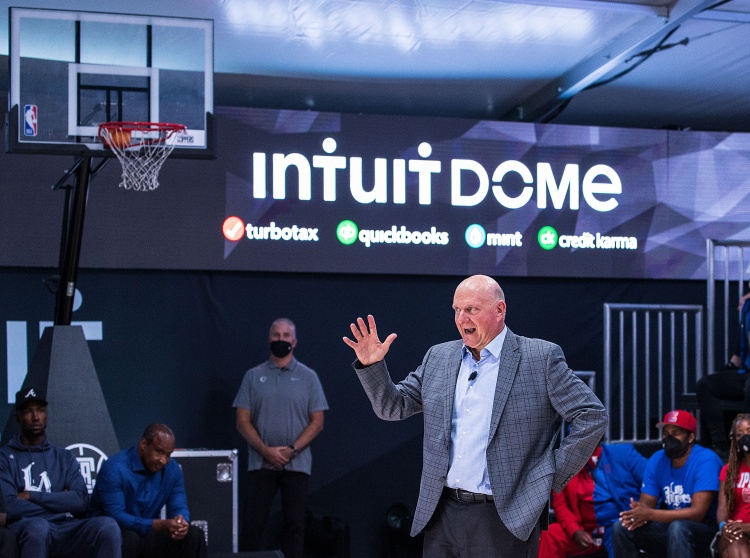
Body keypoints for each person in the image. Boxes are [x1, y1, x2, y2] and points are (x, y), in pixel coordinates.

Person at [342, 274, 608, 557]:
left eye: (471, 309)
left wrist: (549, 474)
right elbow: (392, 407)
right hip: (442, 513)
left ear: (499, 310)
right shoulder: (439, 357)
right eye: (457, 310)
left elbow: (591, 415)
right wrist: (372, 366)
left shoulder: (540, 358)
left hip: (504, 516)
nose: (461, 318)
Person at [233, 318, 328, 558]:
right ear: (269, 339)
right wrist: (265, 450)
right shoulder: (253, 376)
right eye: (276, 335)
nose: (281, 339)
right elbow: (242, 421)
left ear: (294, 342)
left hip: (297, 464)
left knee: (295, 526)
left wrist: (291, 450)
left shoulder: (308, 377)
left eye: (286, 336)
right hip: (261, 463)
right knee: (252, 525)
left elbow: (317, 422)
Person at [0, 386, 121, 558]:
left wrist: (31, 495)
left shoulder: (64, 457)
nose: (36, 417)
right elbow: (10, 506)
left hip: (66, 525)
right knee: (38, 527)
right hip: (28, 527)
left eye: (41, 410)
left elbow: (80, 501)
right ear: (17, 417)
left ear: (47, 414)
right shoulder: (4, 457)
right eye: (28, 412)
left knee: (107, 526)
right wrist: (60, 501)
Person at [612, 409, 723, 558]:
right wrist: (639, 513)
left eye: (675, 433)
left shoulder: (706, 460)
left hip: (706, 530)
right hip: (672, 528)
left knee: (678, 527)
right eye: (665, 433)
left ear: (691, 437)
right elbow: (647, 505)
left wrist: (649, 514)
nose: (669, 438)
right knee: (621, 527)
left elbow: (698, 513)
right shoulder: (657, 459)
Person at [90, 423, 206, 558]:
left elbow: (179, 507)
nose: (164, 460)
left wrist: (181, 523)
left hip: (146, 532)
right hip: (113, 535)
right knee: (130, 538)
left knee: (194, 535)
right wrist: (156, 525)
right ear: (144, 444)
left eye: (168, 455)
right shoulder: (114, 468)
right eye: (159, 452)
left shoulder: (173, 470)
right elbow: (116, 516)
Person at [538, 442, 647, 558]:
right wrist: (574, 530)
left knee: (619, 531)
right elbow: (560, 505)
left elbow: (651, 482)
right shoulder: (565, 465)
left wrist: (644, 509)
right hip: (584, 528)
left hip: (617, 523)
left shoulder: (623, 453)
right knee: (551, 534)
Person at [697, 288, 750, 460]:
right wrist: (731, 365)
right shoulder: (747, 307)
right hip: (745, 372)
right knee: (705, 384)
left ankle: (746, 445)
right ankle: (721, 448)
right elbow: (741, 348)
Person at [716, 413, 750, 557]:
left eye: (749, 431)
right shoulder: (729, 470)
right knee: (734, 539)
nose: (745, 437)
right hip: (736, 530)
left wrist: (748, 527)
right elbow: (722, 508)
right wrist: (723, 526)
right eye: (739, 435)